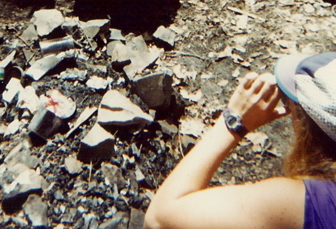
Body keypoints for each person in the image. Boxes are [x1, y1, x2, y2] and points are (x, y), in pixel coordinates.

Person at [144, 52, 336, 229]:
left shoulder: (303, 202)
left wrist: (233, 121)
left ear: (307, 127)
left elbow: (158, 219)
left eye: (289, 103)